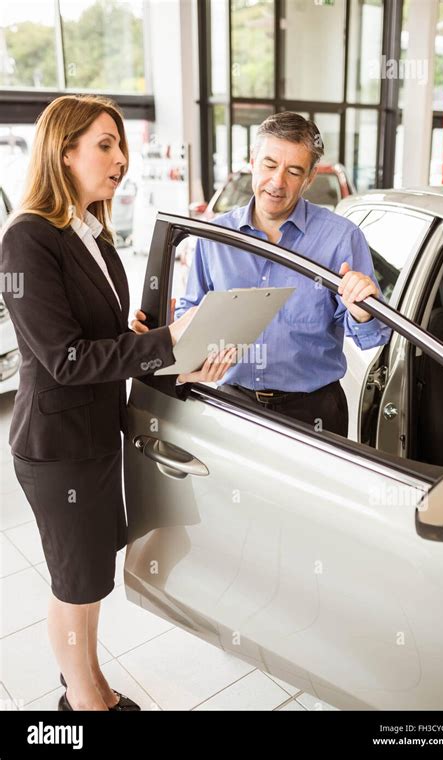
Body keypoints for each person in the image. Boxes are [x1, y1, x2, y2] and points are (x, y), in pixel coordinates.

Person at [0, 94, 235, 712]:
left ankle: (87, 680)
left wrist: (153, 342)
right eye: (106, 144)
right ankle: (84, 703)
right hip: (58, 449)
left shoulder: (95, 234)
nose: (121, 158)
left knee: (90, 579)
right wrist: (164, 343)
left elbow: (99, 338)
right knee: (76, 584)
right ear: (64, 151)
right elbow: (64, 358)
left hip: (97, 436)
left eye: (120, 145)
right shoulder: (28, 239)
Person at [133, 112, 391, 436]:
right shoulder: (214, 235)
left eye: (294, 171)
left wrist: (360, 311)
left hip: (314, 414)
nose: (277, 181)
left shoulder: (341, 238)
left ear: (309, 178)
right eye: (270, 164)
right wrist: (196, 357)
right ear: (253, 161)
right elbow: (190, 310)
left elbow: (372, 337)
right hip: (231, 406)